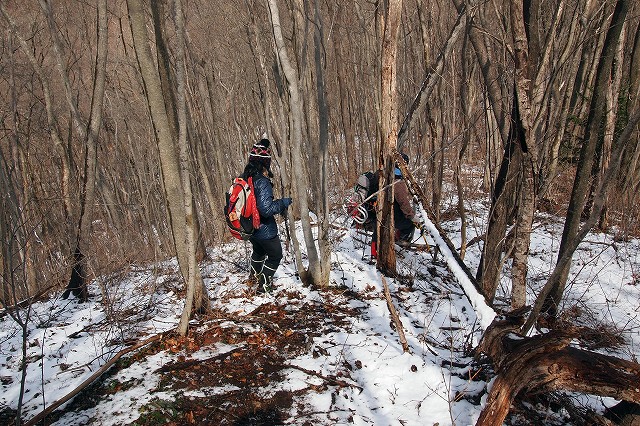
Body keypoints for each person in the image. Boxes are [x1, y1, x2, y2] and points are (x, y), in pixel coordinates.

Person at [242, 138, 292, 294]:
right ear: (265, 163)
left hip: (249, 228)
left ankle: (254, 276)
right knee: (276, 255)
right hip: (264, 229)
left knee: (259, 251)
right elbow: (266, 209)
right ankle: (264, 285)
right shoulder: (262, 182)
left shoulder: (244, 178)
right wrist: (284, 202)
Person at [370, 153, 421, 258]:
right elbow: (403, 203)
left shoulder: (379, 174)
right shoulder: (397, 181)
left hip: (374, 212)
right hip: (389, 216)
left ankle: (374, 254)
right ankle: (397, 241)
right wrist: (412, 217)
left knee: (377, 231)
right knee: (410, 224)